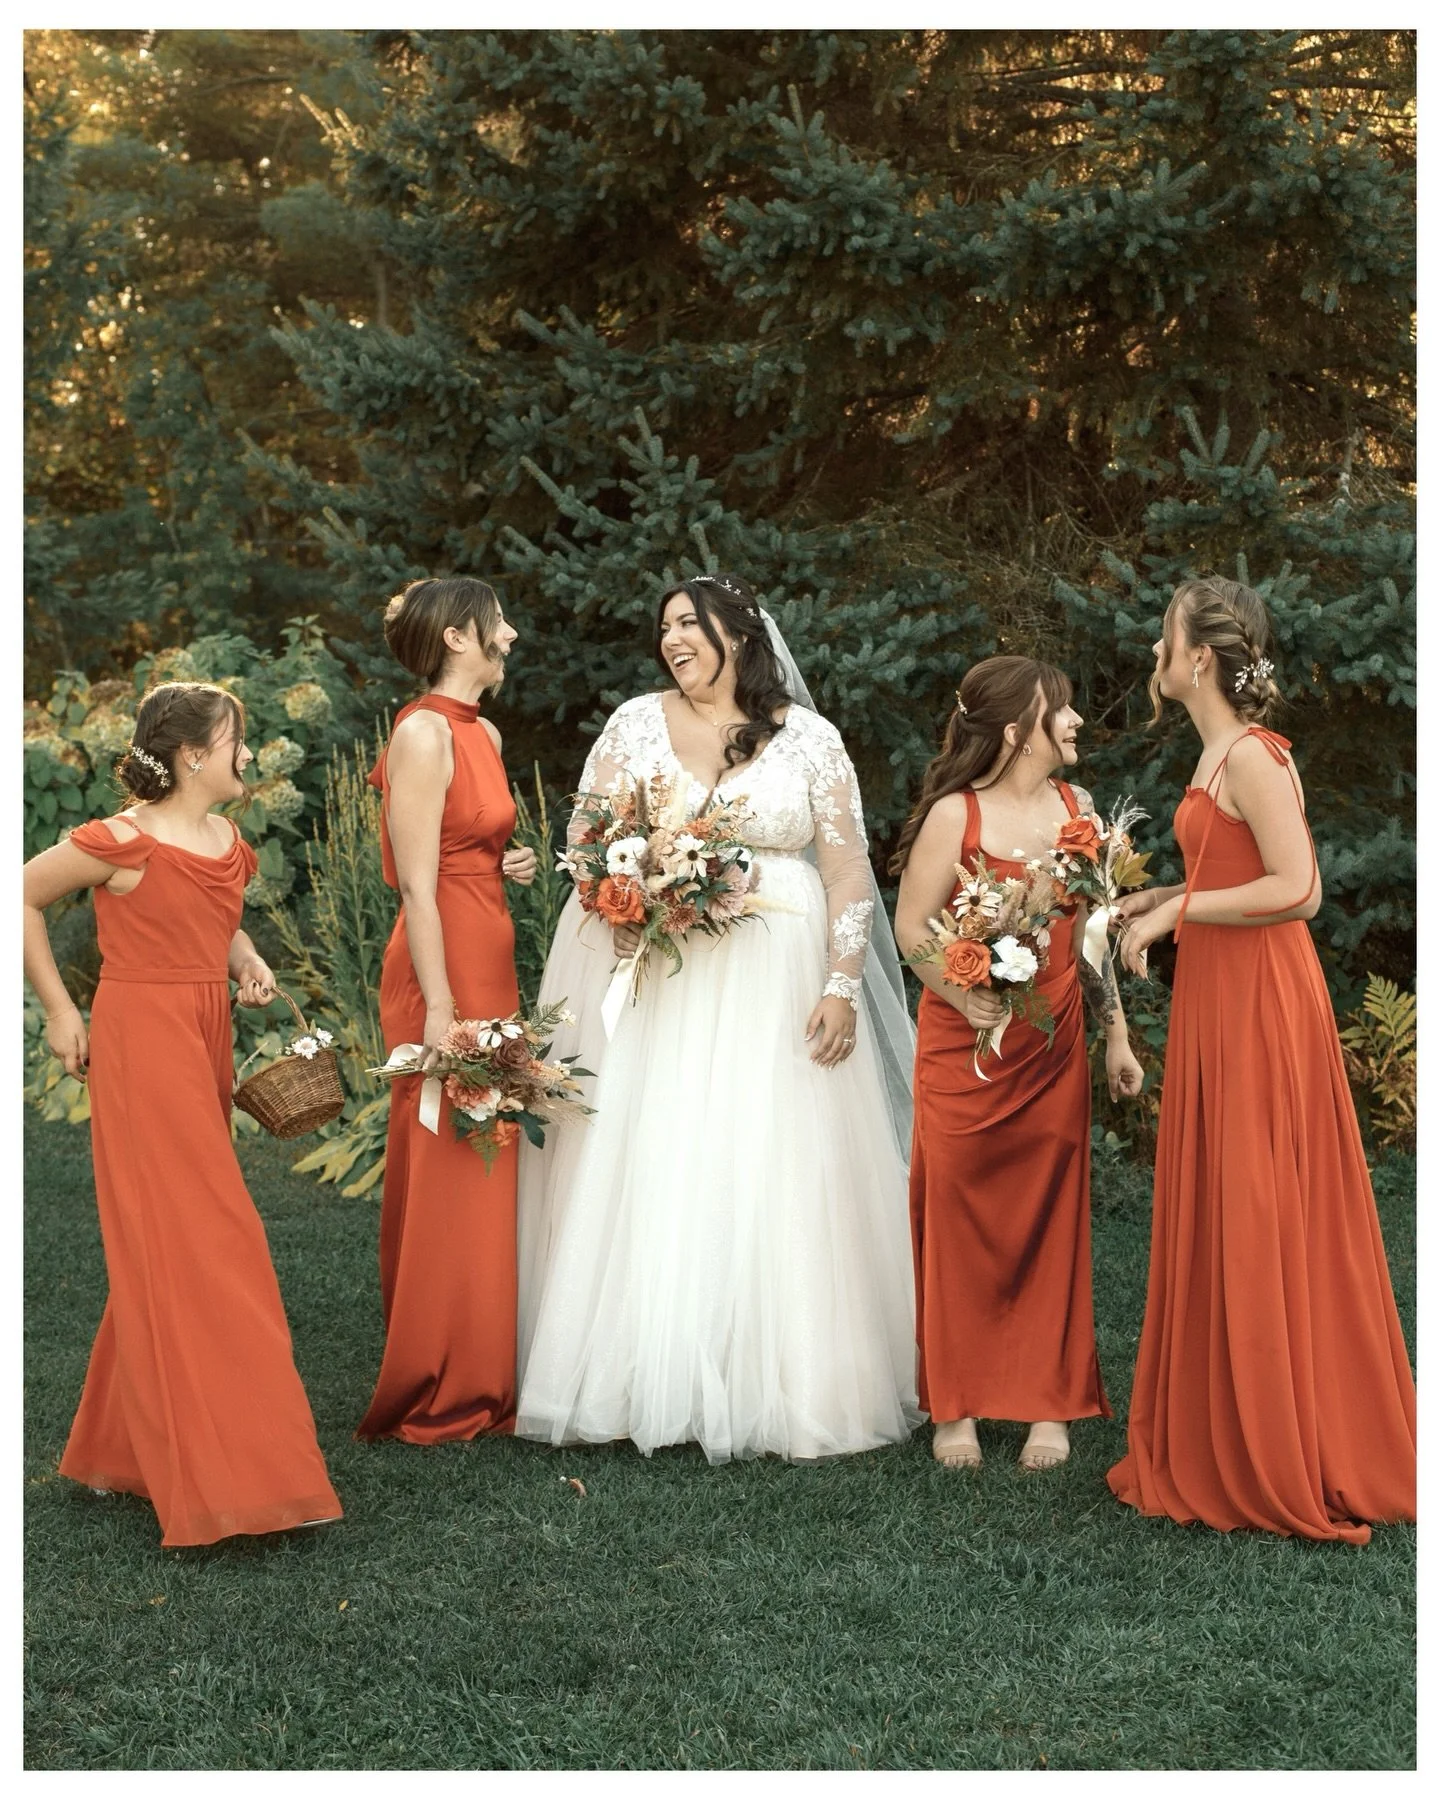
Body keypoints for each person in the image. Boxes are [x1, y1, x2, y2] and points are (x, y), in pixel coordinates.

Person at [515, 573, 919, 1461]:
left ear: (738, 632)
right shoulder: (633, 723)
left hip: (777, 978)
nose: (673, 640)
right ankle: (634, 1375)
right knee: (656, 1152)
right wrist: (632, 888)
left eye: (689, 624)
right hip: (663, 975)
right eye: (663, 627)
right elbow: (585, 845)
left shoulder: (809, 738)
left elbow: (850, 869)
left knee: (773, 1157)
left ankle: (787, 1380)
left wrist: (842, 984)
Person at [1108, 575, 1415, 1541]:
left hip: (1263, 1000)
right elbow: (1228, 873)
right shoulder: (1210, 756)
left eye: (1167, 635)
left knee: (1263, 1196)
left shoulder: (1252, 755)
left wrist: (1177, 913)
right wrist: (1148, 900)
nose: (1155, 649)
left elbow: (1301, 887)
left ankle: (1293, 1441)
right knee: (1223, 1196)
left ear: (1200, 656)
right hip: (1218, 996)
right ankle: (1223, 1430)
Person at [23, 681, 342, 1546]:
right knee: (211, 1237)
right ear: (194, 755)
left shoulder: (226, 839)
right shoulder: (121, 840)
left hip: (203, 1035)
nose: (250, 750)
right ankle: (236, 1475)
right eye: (240, 737)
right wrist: (62, 1011)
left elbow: (218, 919)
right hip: (143, 1045)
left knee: (171, 1236)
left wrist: (246, 959)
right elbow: (21, 895)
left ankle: (117, 1451)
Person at [893, 656, 1145, 1472]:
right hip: (964, 1044)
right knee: (959, 1217)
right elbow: (911, 931)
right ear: (1015, 731)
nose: (1074, 723)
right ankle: (956, 1405)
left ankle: (1047, 1404)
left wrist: (1116, 1037)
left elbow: (1098, 932)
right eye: (1059, 711)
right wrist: (962, 995)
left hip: (1054, 1039)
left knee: (1050, 1216)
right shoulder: (952, 816)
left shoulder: (1080, 810)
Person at [356, 577, 537, 1443]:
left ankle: (485, 1368)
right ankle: (439, 1378)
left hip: (486, 940)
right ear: (462, 637)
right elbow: (417, 885)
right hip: (439, 963)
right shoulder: (422, 734)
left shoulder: (486, 732)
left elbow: (465, 849)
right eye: (498, 621)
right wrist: (438, 1009)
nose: (513, 632)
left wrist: (506, 864)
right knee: (447, 1154)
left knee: (491, 1154)